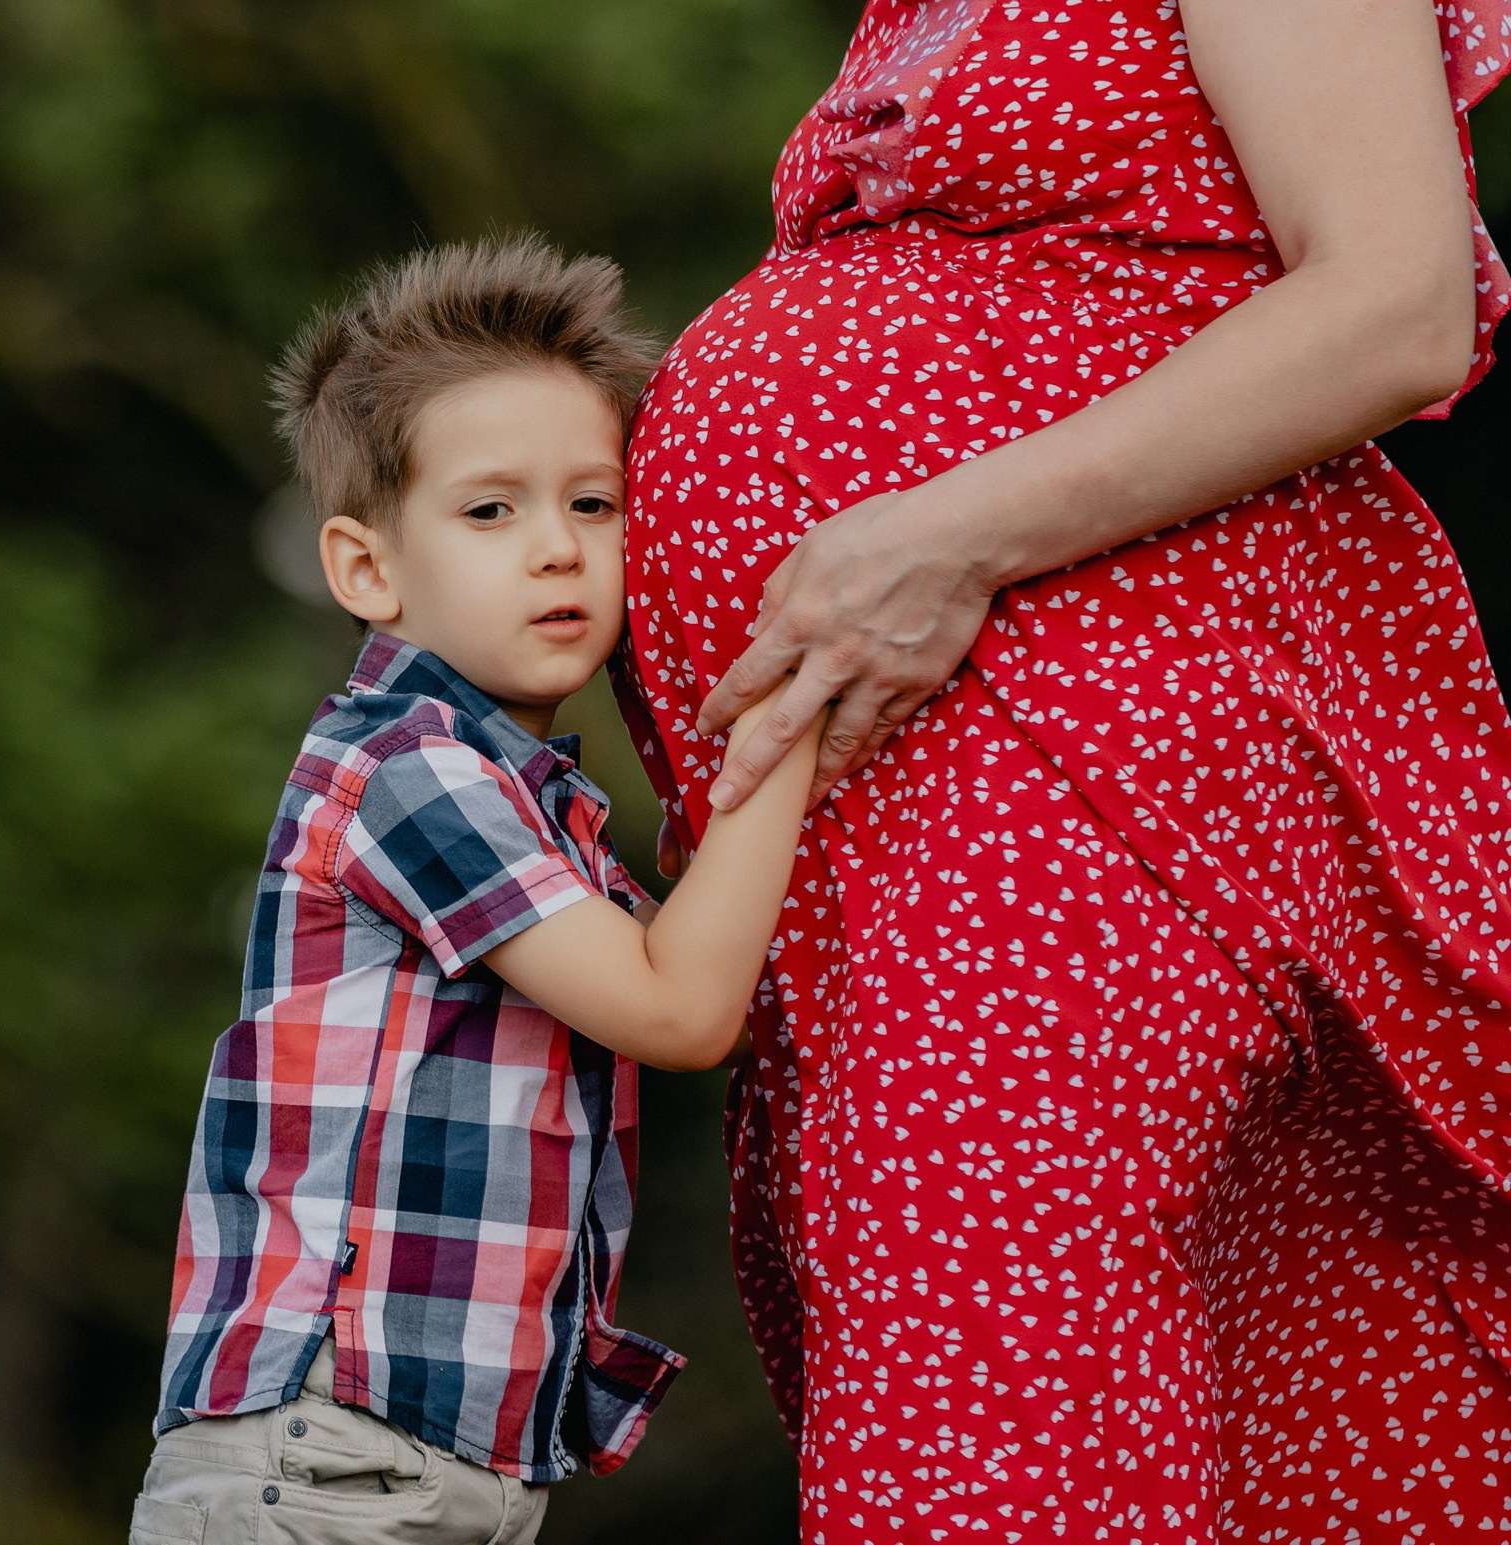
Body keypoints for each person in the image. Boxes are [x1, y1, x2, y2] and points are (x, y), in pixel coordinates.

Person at [617, 0, 1511, 1539]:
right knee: (1083, 1363)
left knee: (984, 1328)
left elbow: (1397, 299)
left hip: (1096, 732)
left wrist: (943, 537)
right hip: (930, 785)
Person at [128, 236, 826, 1545]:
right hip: (332, 1458)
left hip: (437, 1465)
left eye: (595, 504)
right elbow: (679, 1007)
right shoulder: (407, 770)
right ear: (367, 571)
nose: (559, 550)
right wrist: (801, 714)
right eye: (492, 510)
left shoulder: (530, 796)